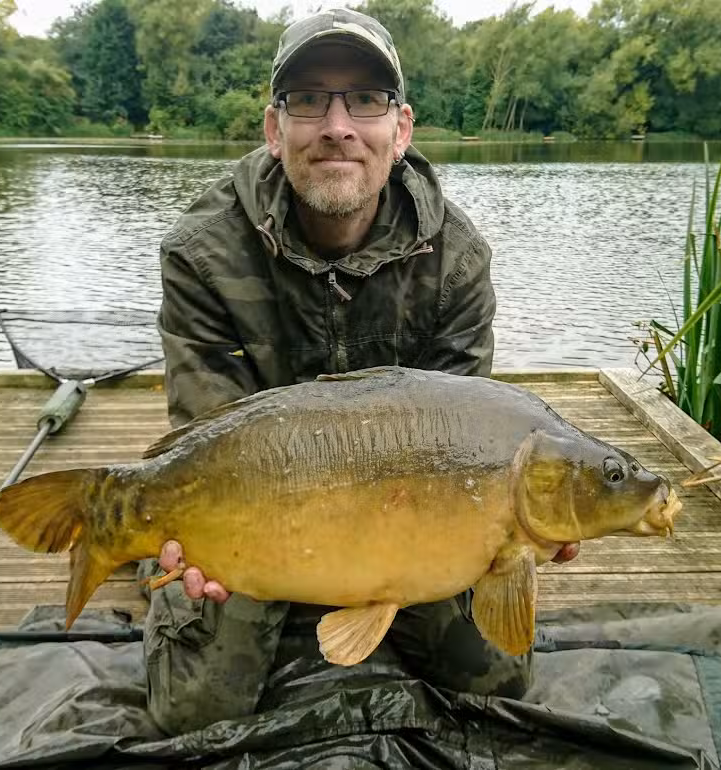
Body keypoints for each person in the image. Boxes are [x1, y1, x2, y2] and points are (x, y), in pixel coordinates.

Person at [140, 6, 579, 736]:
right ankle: (155, 557)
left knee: (500, 682)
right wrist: (196, 532)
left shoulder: (457, 258)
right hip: (257, 507)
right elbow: (207, 432)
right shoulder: (202, 251)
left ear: (400, 129)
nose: (337, 126)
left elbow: (473, 438)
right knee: (193, 713)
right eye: (309, 99)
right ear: (274, 128)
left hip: (407, 518)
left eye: (366, 100)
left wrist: (513, 530)